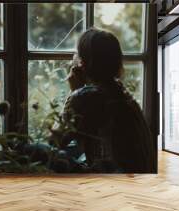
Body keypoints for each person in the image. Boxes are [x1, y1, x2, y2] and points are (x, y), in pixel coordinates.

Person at [61, 28, 155, 173]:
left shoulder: (86, 97)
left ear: (83, 63)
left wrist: (74, 92)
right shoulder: (122, 94)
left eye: (77, 54)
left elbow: (55, 141)